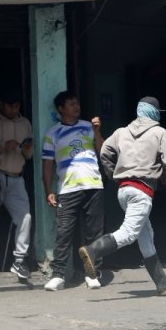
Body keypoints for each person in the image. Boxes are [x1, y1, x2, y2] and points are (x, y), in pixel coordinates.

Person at [78, 96, 166, 296]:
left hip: (124, 190)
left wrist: (114, 174)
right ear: (154, 113)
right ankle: (92, 250)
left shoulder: (121, 132)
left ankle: (162, 282)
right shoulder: (159, 132)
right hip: (142, 190)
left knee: (145, 236)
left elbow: (105, 153)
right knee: (128, 233)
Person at [42, 91, 105, 291]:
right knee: (64, 232)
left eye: (77, 103)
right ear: (61, 109)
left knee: (94, 233)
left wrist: (97, 132)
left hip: (93, 185)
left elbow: (103, 150)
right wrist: (49, 189)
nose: (76, 106)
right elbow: (47, 164)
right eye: (70, 104)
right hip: (67, 188)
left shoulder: (88, 127)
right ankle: (58, 274)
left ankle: (92, 274)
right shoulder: (52, 133)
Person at [0, 88, 34, 280]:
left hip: (17, 176)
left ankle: (19, 259)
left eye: (17, 106)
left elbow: (29, 155)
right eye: (10, 106)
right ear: (1, 105)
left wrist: (26, 149)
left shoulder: (25, 123)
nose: (14, 109)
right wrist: (2, 146)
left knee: (25, 218)